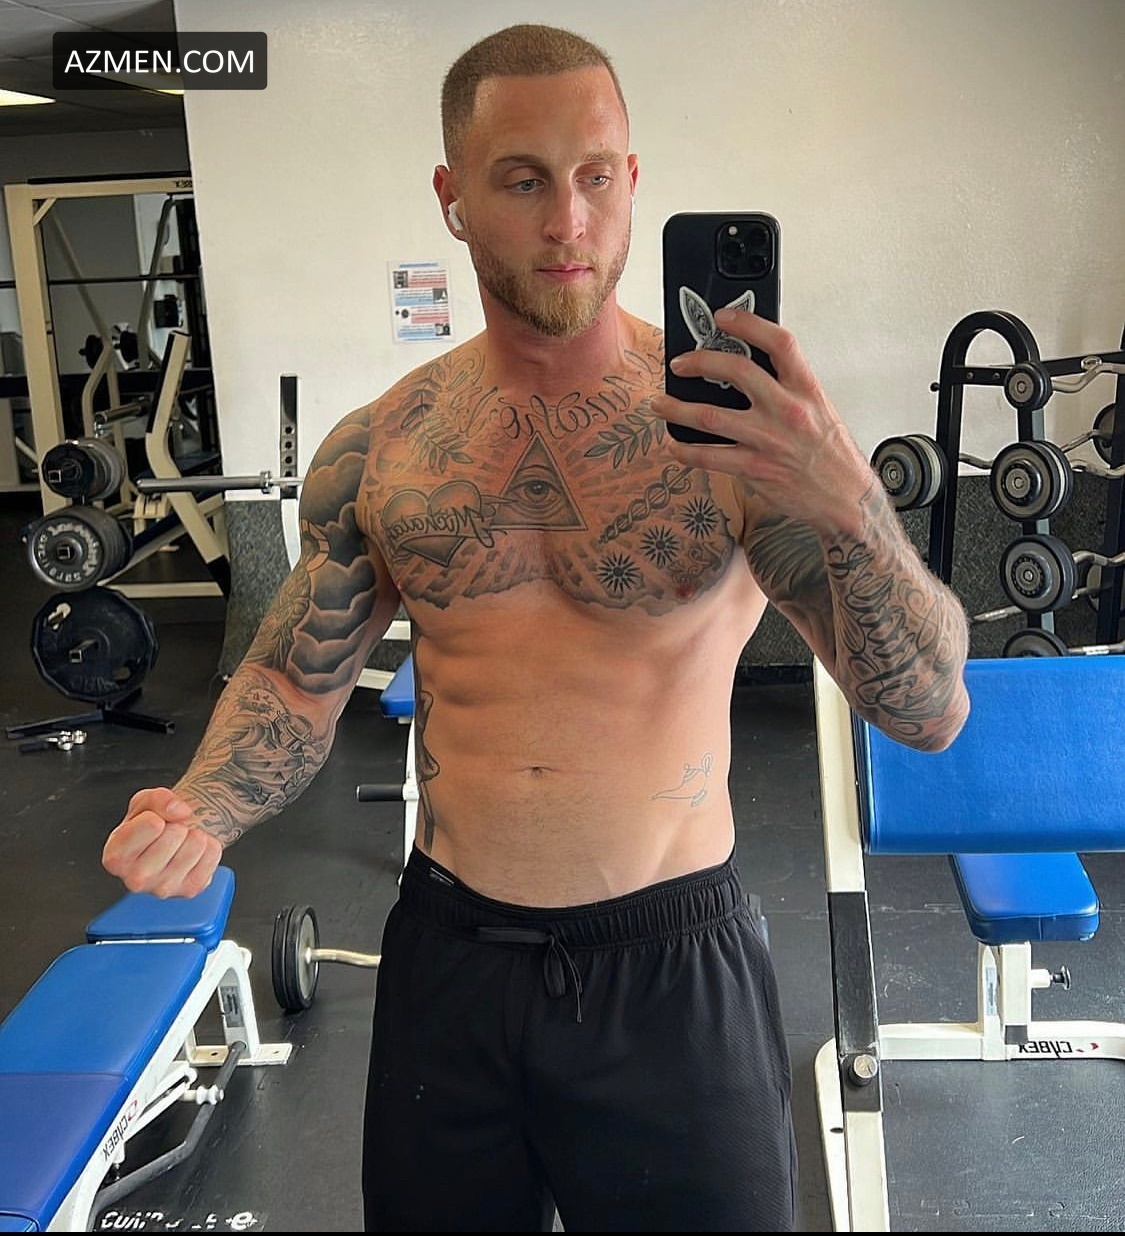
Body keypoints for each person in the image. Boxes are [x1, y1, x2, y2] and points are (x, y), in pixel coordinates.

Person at [102, 22, 970, 1233]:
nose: (568, 220)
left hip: (674, 967)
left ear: (633, 180)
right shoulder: (383, 448)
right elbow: (296, 680)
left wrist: (849, 500)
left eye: (596, 175)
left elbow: (927, 713)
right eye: (522, 180)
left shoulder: (741, 443)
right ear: (453, 198)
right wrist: (204, 805)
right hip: (454, 962)